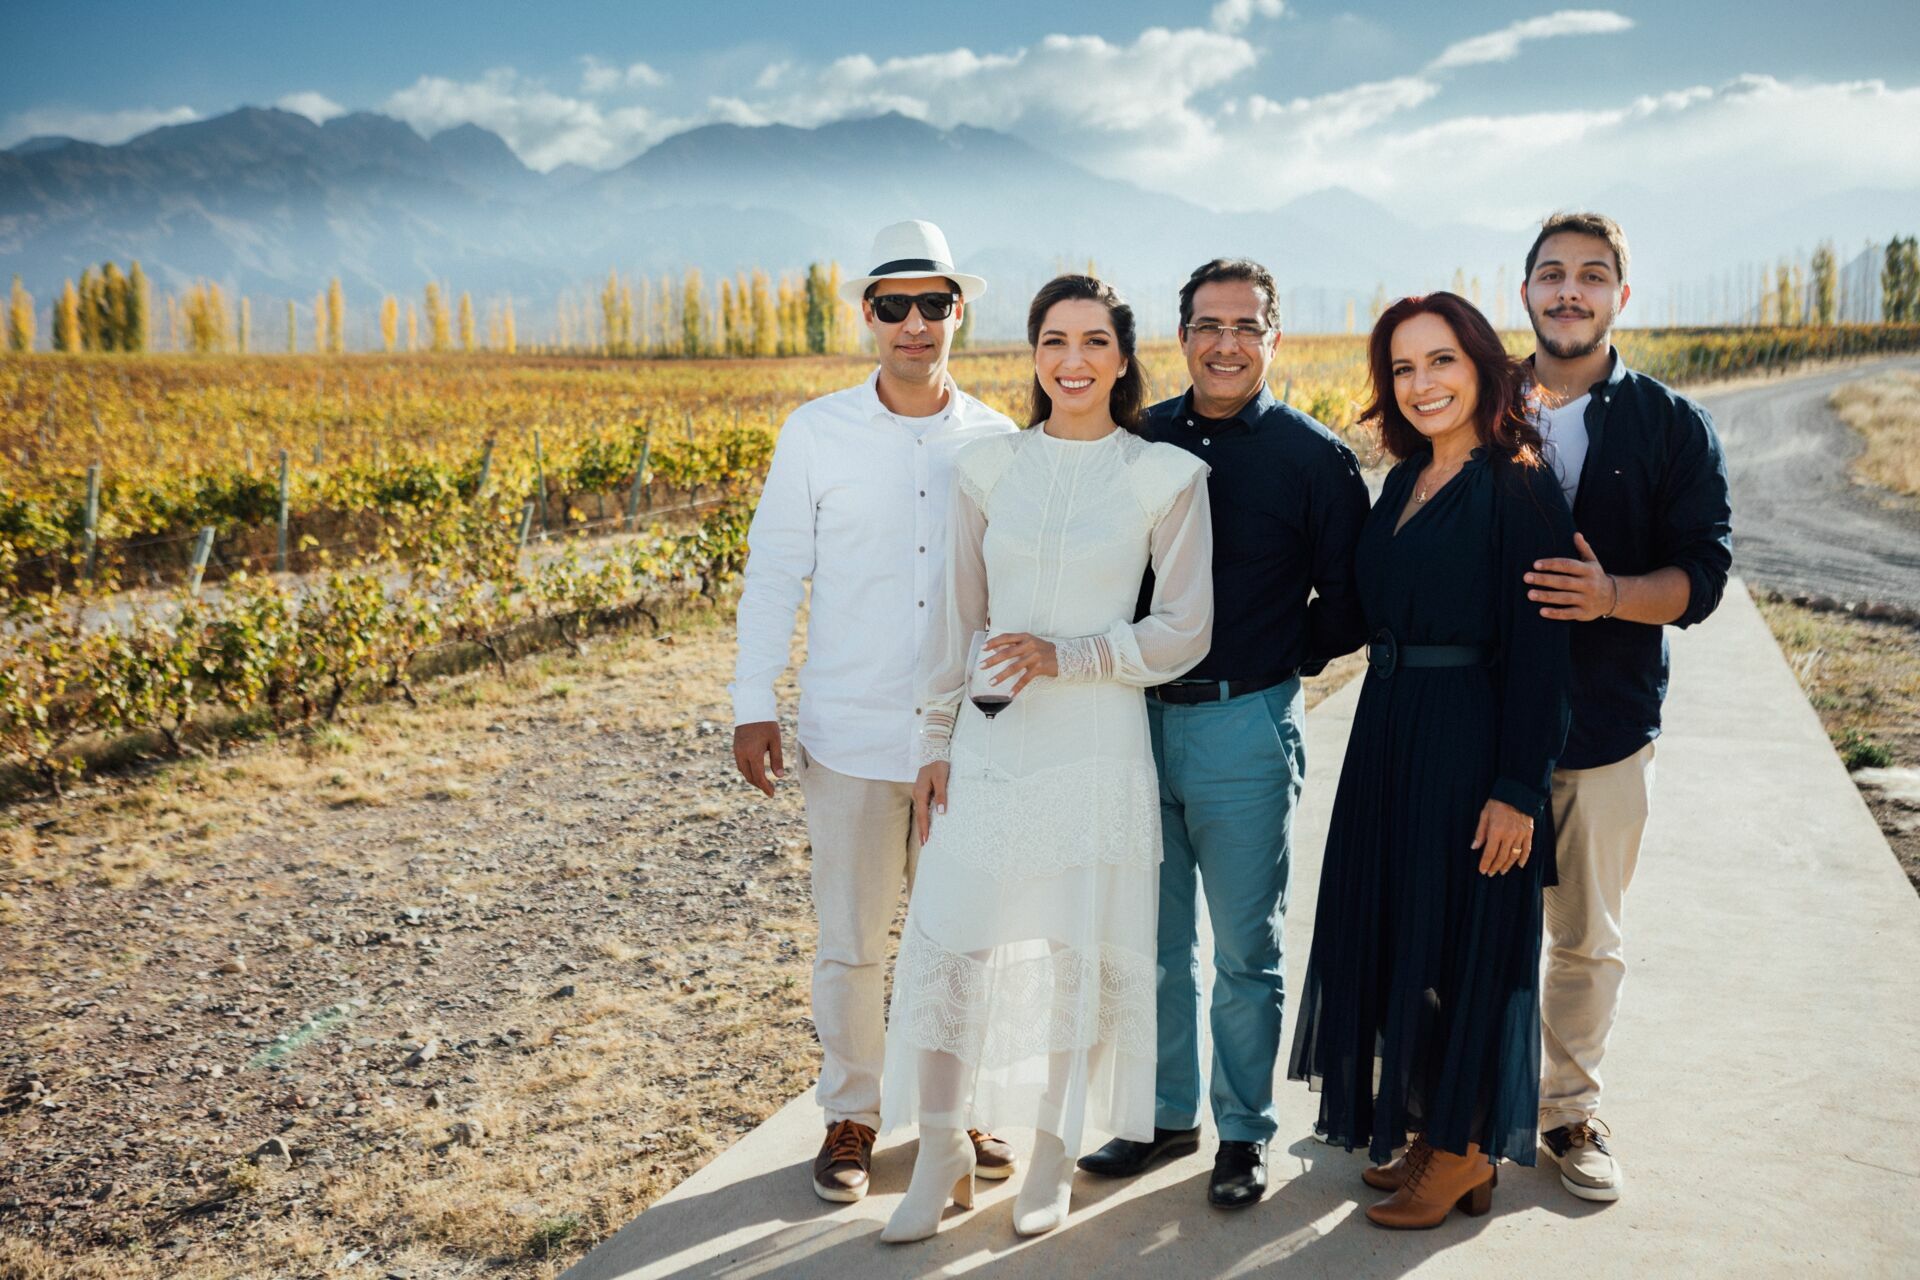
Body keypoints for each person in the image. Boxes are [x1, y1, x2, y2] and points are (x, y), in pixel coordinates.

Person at [876, 275, 1214, 1242]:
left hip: (1098, 739)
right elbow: (957, 622)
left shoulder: (1165, 475)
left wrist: (1072, 656)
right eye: (1054, 340)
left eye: (1094, 341)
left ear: (1122, 356)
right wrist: (933, 740)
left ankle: (1052, 1154)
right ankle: (940, 1151)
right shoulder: (985, 470)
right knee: (953, 941)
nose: (1074, 359)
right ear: (1032, 355)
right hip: (989, 740)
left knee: (1075, 956)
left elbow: (1185, 628)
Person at [728, 220, 1018, 1204]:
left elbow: (1015, 595)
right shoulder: (816, 432)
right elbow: (773, 573)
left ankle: (956, 1102)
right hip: (847, 736)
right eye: (894, 304)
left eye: (933, 302)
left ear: (957, 314)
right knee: (851, 942)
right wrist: (751, 700)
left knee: (959, 936)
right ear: (867, 315)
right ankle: (853, 1112)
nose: (914, 323)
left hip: (964, 744)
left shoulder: (997, 439)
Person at [1076, 259, 1369, 1209]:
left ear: (1273, 337)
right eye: (1208, 325)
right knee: (1155, 945)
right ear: (1182, 337)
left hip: (1245, 725)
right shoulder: (1137, 439)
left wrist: (1277, 655)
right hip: (1133, 722)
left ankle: (1243, 1134)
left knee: (1248, 950)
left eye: (1246, 326)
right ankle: (1166, 1119)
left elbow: (1352, 604)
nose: (1226, 343)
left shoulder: (1314, 460)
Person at [1287, 291, 1574, 1229]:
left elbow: (1543, 653)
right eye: (1404, 368)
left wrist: (1518, 789)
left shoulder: (1519, 482)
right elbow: (1354, 614)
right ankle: (1433, 1132)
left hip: (1471, 733)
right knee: (1406, 932)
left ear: (1484, 365)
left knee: (1465, 936)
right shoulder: (1403, 481)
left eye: (1441, 361)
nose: (1423, 384)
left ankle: (1462, 1151)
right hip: (1389, 727)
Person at [1517, 212, 1731, 1203]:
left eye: (1591, 276)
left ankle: (1569, 1111)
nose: (1571, 290)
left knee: (1587, 936)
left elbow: (1703, 575)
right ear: (1525, 291)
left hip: (1605, 725)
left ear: (1620, 298)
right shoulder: (1478, 407)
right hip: (1480, 723)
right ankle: (1454, 1111)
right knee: (1462, 925)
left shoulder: (1670, 425)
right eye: (1553, 273)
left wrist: (1611, 596)